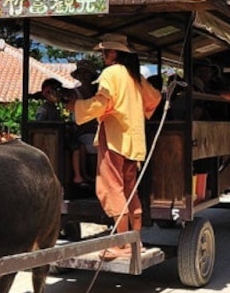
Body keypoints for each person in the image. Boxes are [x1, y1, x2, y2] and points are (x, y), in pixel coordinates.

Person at [65, 33, 161, 261]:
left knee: (111, 187)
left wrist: (76, 106)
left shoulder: (111, 73)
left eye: (104, 52)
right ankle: (134, 239)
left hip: (115, 136)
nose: (102, 56)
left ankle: (122, 245)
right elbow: (155, 99)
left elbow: (103, 101)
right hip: (134, 139)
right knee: (129, 189)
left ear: (114, 53)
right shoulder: (134, 76)